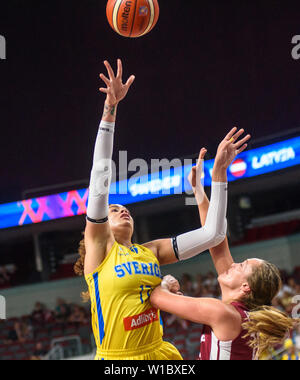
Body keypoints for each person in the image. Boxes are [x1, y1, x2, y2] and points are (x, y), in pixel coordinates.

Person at [74, 59, 246, 360]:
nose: (121, 210)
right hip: (117, 360)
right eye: (113, 210)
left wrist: (218, 175)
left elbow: (214, 233)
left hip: (161, 354)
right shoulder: (99, 253)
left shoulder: (149, 252)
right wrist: (110, 109)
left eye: (124, 208)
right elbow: (99, 177)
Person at [150, 148, 300, 360]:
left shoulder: (224, 314)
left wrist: (165, 285)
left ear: (245, 287)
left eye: (242, 265)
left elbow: (155, 297)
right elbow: (215, 241)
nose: (234, 263)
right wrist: (202, 189)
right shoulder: (236, 314)